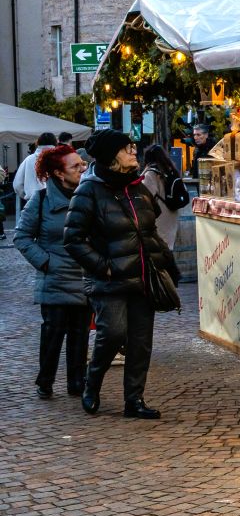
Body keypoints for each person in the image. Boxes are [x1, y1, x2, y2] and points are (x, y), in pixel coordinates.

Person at [63, 130, 178, 420]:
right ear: (112, 156)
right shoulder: (88, 191)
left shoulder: (139, 188)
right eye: (128, 149)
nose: (134, 152)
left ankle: (134, 400)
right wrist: (104, 266)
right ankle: (93, 383)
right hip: (109, 280)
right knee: (112, 333)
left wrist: (165, 259)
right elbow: (73, 239)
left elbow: (150, 230)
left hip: (143, 276)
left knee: (141, 341)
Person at [16, 144, 90, 401]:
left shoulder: (88, 196)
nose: (83, 169)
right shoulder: (41, 200)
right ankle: (45, 381)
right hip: (55, 278)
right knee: (53, 332)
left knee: (80, 335)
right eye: (76, 166)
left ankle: (77, 382)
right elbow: (22, 237)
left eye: (82, 164)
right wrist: (46, 263)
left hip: (83, 277)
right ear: (59, 173)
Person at [137, 143, 190, 252]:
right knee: (167, 252)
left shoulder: (150, 175)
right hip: (171, 218)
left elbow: (144, 200)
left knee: (160, 256)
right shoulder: (171, 171)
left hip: (159, 222)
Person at [13, 131, 56, 210]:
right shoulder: (61, 159)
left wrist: (26, 196)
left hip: (32, 202)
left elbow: (17, 185)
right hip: (56, 203)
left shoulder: (29, 159)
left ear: (38, 143)